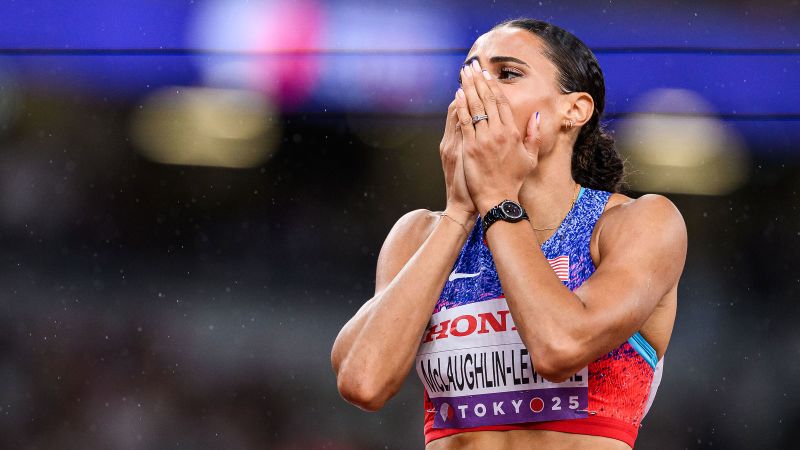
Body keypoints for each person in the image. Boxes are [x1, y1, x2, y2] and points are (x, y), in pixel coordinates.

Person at [331, 18, 687, 450]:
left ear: (574, 110)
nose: (480, 92)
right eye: (471, 74)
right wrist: (461, 213)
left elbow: (559, 347)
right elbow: (363, 382)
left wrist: (498, 197)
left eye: (508, 73)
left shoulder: (637, 223)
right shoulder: (419, 232)